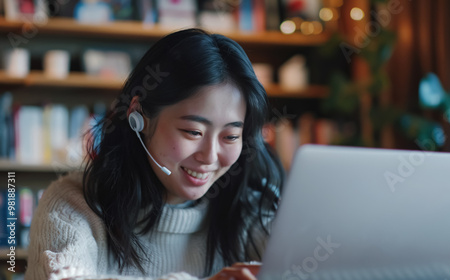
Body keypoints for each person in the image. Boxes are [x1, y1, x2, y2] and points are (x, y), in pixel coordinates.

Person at [26, 28, 284, 280]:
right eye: (193, 132)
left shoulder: (251, 209)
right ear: (139, 116)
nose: (209, 156)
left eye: (230, 137)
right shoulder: (73, 206)